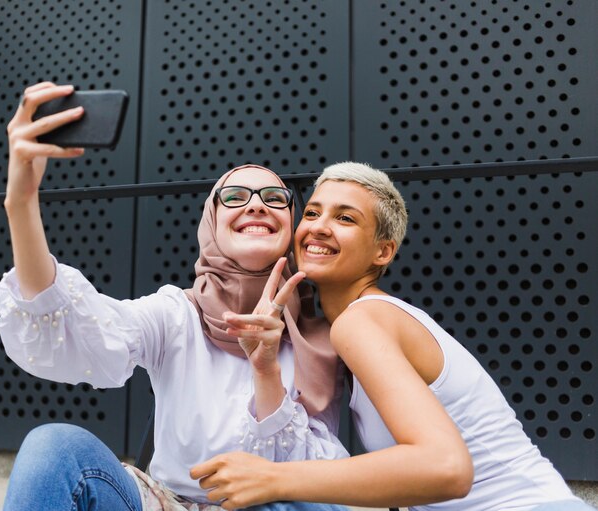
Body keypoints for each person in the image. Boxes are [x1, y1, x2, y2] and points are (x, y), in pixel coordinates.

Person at [0, 82, 350, 511]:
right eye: (235, 197)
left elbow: (321, 480)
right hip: (169, 504)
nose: (256, 205)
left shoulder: (321, 337)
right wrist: (22, 201)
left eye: (274, 198)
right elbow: (74, 328)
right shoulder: (176, 314)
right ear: (211, 225)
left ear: (290, 224)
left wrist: (267, 369)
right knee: (52, 446)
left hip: (275, 505)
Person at [191, 161, 597, 511]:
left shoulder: (362, 321)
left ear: (383, 252)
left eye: (346, 219)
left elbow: (446, 467)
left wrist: (272, 478)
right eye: (312, 213)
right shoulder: (358, 323)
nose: (319, 228)